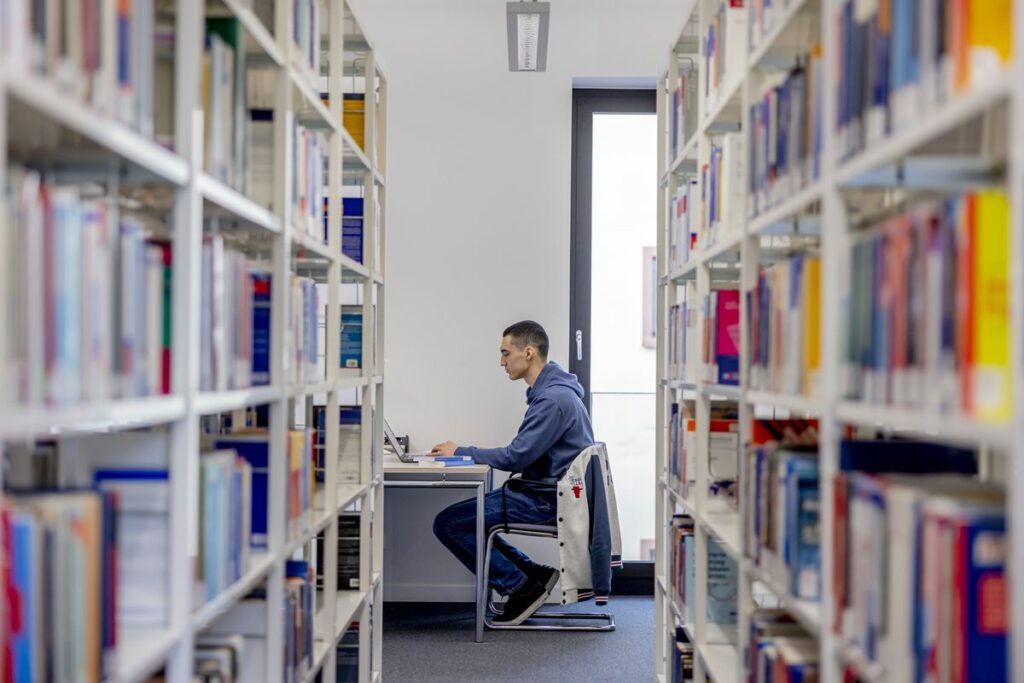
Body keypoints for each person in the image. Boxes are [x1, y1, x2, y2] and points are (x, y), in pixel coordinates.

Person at [431, 320, 595, 626]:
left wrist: (461, 450)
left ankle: (521, 586)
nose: (501, 361)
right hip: (547, 492)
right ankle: (532, 576)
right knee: (467, 519)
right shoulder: (553, 392)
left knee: (449, 523)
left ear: (529, 352)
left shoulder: (552, 401)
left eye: (506, 353)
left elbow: (516, 456)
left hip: (548, 500)